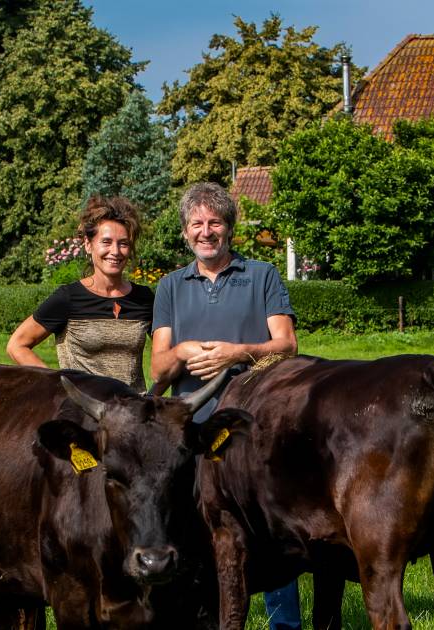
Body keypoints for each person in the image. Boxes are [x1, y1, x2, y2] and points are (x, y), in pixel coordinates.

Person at [148, 182, 301, 630]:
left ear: (229, 228)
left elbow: (287, 346)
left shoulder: (262, 275)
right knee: (194, 529)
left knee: (268, 528)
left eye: (214, 222)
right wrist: (182, 351)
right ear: (185, 232)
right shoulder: (170, 286)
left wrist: (238, 353)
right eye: (196, 223)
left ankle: (283, 625)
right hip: (192, 432)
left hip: (254, 427)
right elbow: (158, 367)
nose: (206, 231)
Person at [7, 195, 154, 390]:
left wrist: (153, 396)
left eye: (123, 243)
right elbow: (17, 345)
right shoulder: (68, 297)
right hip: (82, 409)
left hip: (132, 408)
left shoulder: (144, 298)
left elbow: (167, 356)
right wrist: (58, 387)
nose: (115, 251)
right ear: (88, 244)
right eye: (106, 242)